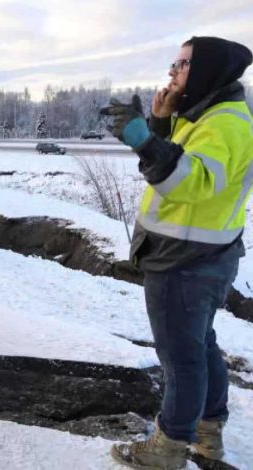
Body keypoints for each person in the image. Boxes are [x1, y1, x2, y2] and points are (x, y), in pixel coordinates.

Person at [101, 37, 253, 469]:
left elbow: (188, 182)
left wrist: (143, 141)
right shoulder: (206, 113)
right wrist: (160, 124)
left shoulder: (226, 124)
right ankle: (209, 433)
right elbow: (181, 161)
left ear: (209, 70)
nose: (173, 71)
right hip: (200, 253)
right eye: (174, 62)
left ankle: (168, 448)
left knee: (180, 358)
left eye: (183, 64)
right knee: (200, 347)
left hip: (185, 261)